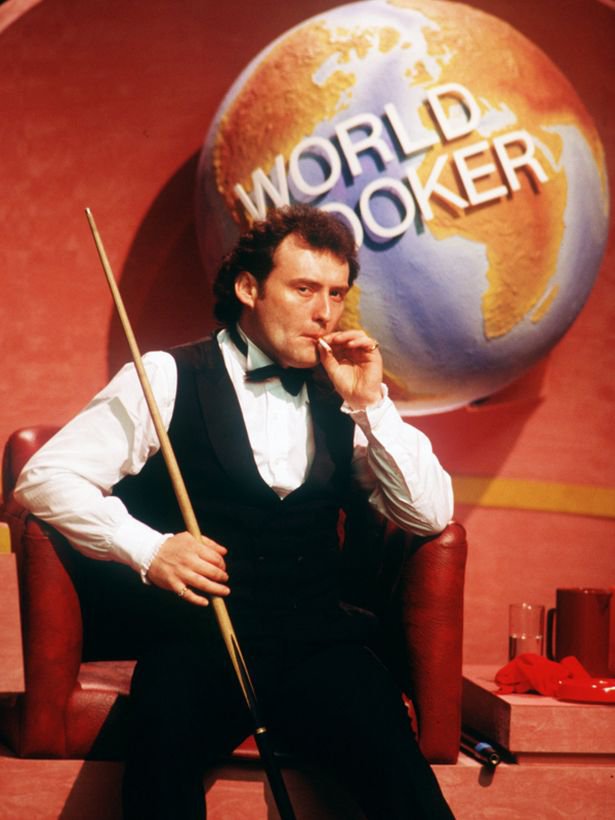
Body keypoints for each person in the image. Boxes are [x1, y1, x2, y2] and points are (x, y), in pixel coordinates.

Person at [15, 204, 455, 819]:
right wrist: (148, 548)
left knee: (409, 794)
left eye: (336, 294)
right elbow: (44, 477)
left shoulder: (346, 395)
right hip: (198, 641)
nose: (324, 312)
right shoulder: (166, 375)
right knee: (159, 775)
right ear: (249, 288)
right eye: (303, 289)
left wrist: (372, 406)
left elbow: (429, 516)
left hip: (321, 644)